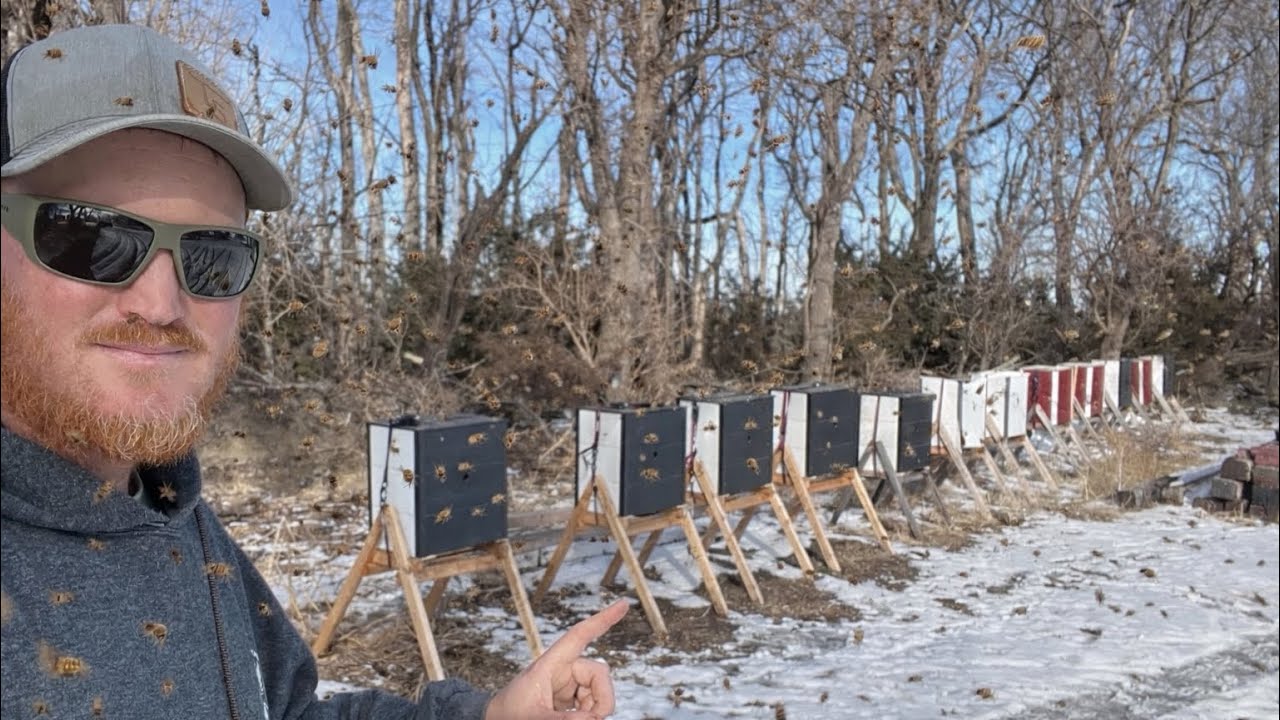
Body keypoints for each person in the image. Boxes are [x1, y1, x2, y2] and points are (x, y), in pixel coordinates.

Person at [0, 24, 628, 720]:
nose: (159, 303)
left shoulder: (171, 510)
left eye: (213, 254)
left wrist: (483, 717)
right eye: (87, 235)